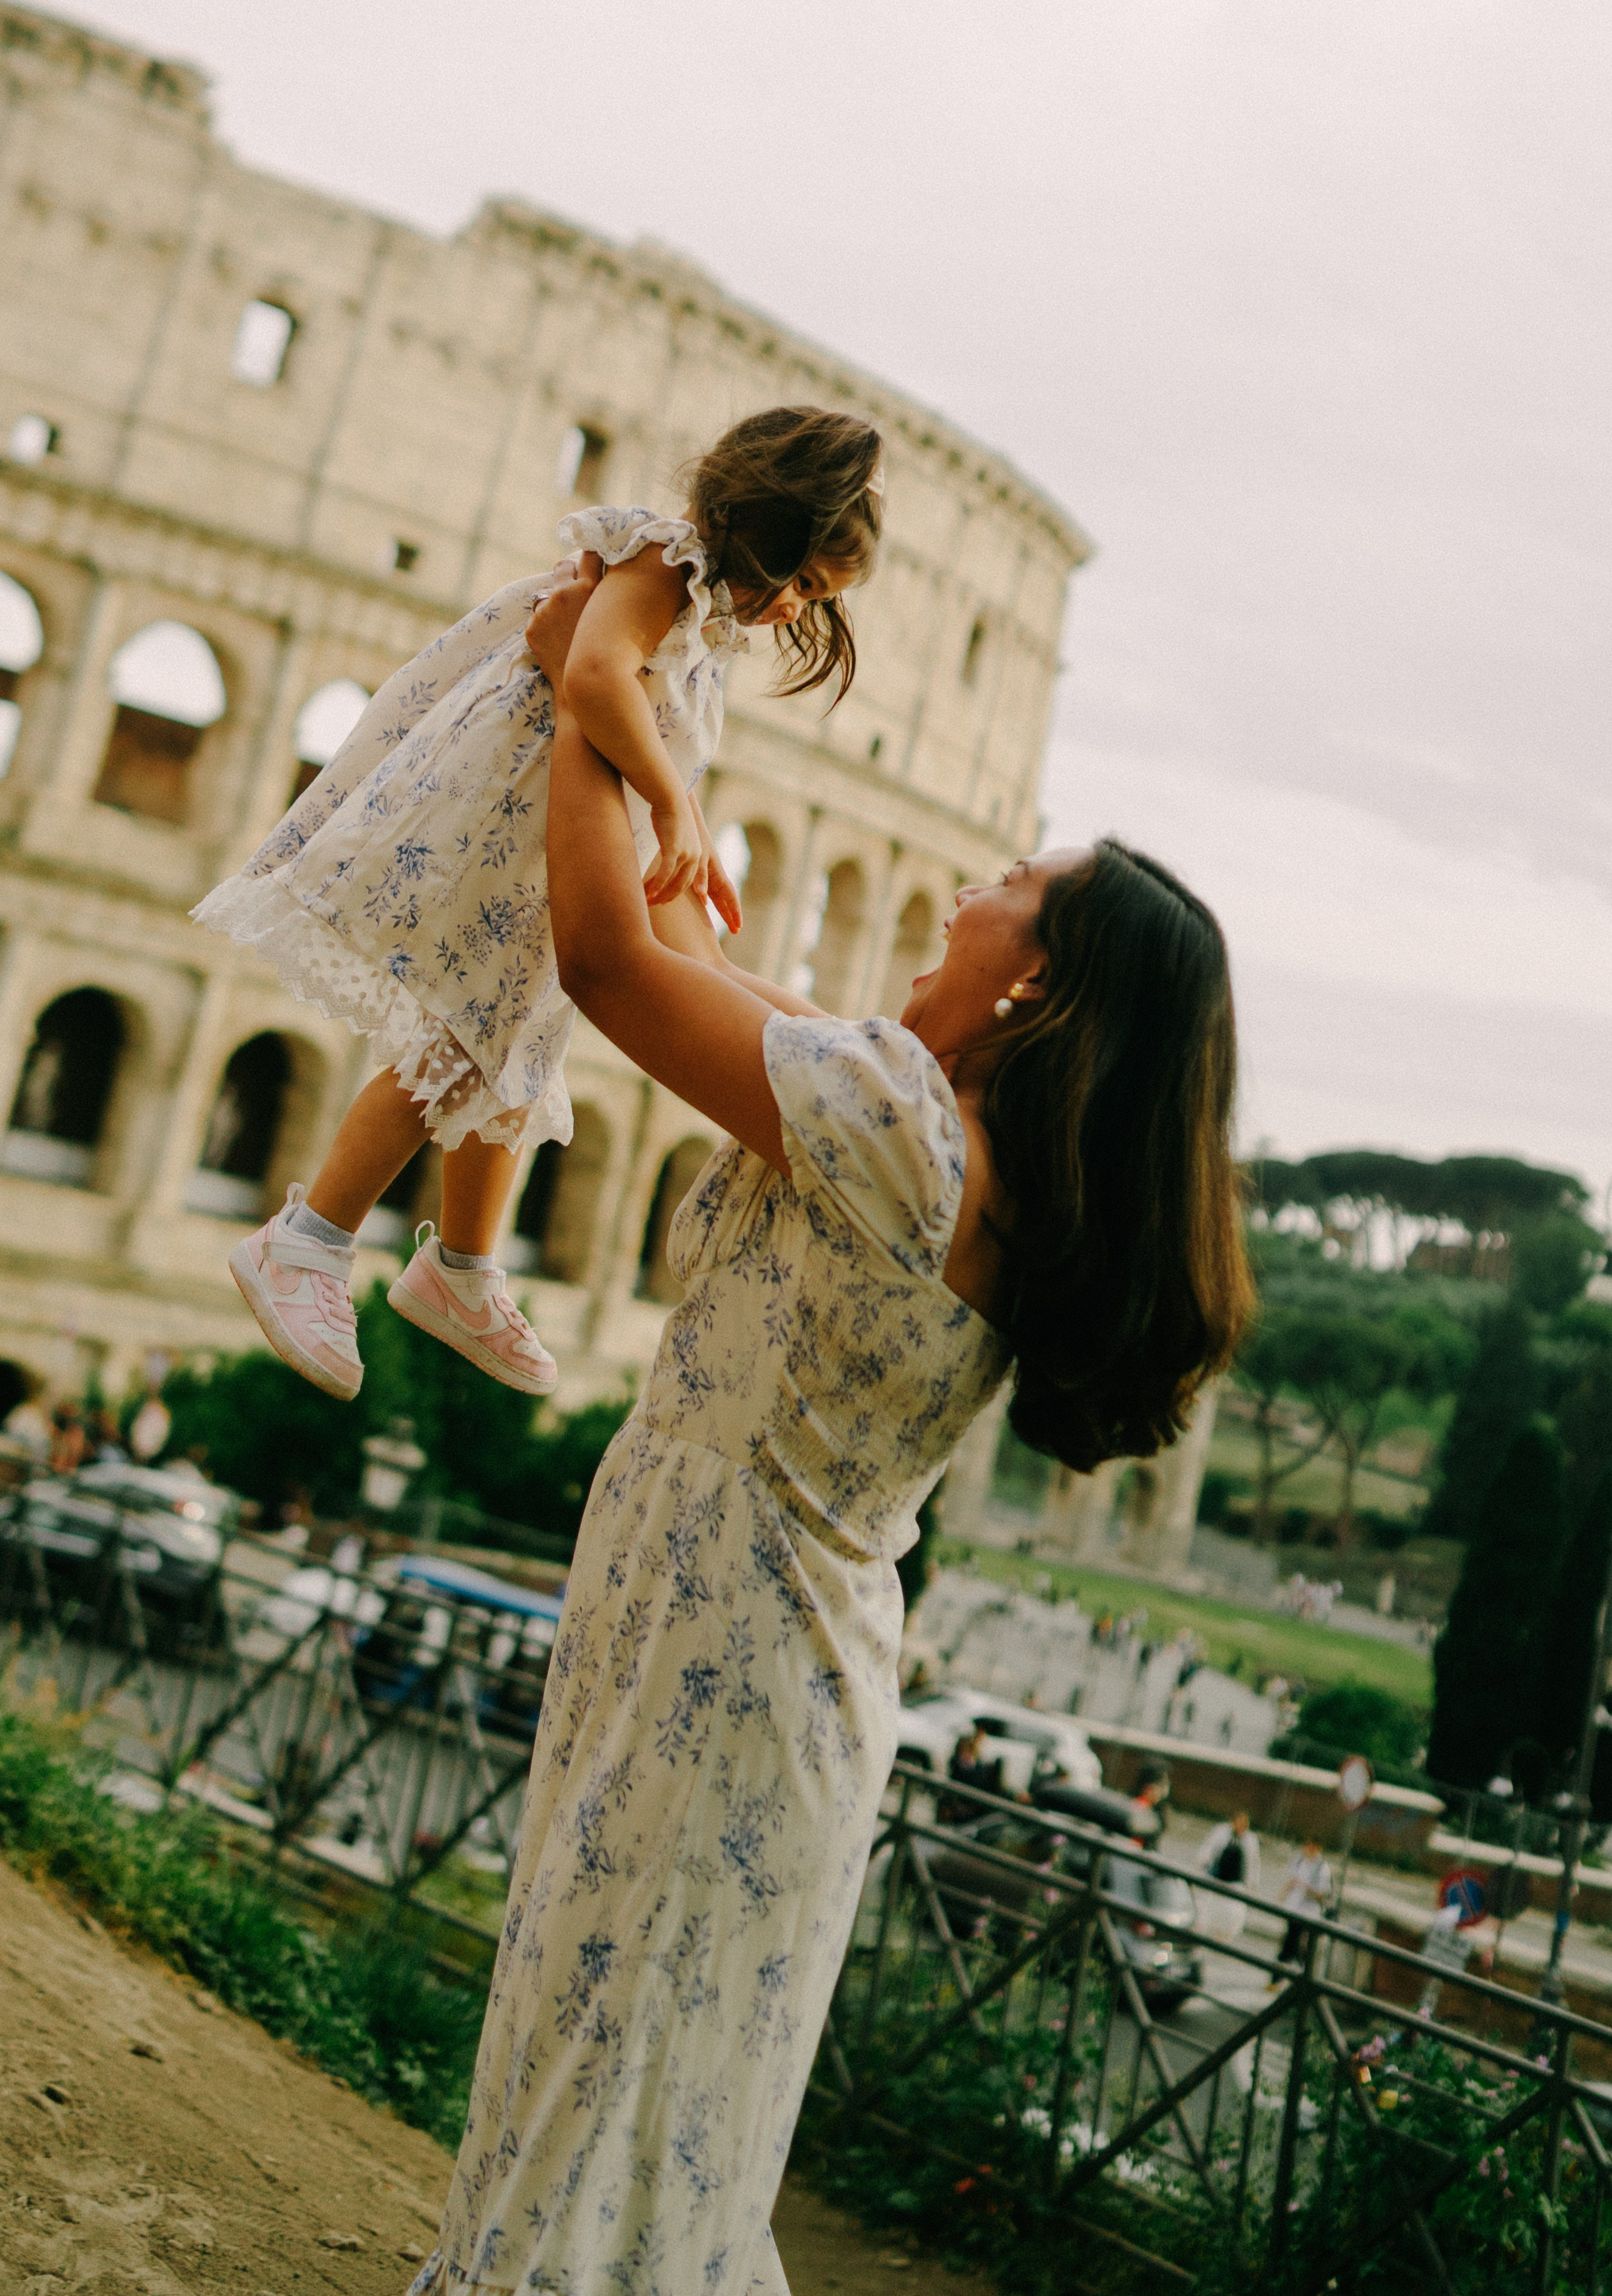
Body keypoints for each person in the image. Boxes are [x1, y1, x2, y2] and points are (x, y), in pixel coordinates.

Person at [401, 555, 1255, 2296]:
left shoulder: (896, 1130)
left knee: (595, 2082)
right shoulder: (938, 1138)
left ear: (1044, 983)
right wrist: (644, 748)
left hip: (721, 1633)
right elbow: (708, 961)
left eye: (1015, 884)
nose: (968, 886)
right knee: (644, 2107)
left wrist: (598, 700)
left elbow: (603, 959)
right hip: (764, 1640)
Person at [193, 406, 885, 1406]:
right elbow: (595, 676)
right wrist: (668, 802)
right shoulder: (664, 562)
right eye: (806, 586)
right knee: (466, 1032)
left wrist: (675, 827)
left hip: (581, 819)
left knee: (533, 1030)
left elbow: (629, 713)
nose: (794, 615)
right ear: (771, 536)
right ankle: (306, 1243)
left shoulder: (699, 618)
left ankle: (462, 1271)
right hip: (517, 810)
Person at [1196, 1810, 1260, 1944]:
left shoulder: (1251, 1841)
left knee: (1232, 1911)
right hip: (1216, 1876)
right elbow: (1209, 1848)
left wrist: (1252, 1883)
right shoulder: (1221, 1832)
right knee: (1209, 1905)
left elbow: (1253, 1864)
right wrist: (1204, 1862)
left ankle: (1225, 1935)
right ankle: (1204, 1930)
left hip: (1236, 1881)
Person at [1275, 1834, 1333, 1972]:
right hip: (1294, 1908)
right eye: (1306, 1846)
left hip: (1308, 1913)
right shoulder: (1299, 1861)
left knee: (1293, 1942)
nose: (1307, 1849)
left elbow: (1323, 1893)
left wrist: (1306, 1889)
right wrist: (1282, 1897)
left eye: (1311, 1847)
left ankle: (1283, 1973)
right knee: (1292, 1942)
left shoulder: (1322, 1868)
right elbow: (1291, 1881)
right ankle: (1293, 1970)